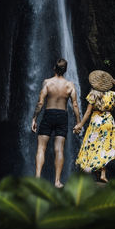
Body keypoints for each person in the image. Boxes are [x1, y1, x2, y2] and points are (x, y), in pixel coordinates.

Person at [73, 70, 115, 182]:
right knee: (104, 146)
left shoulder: (93, 94)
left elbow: (88, 112)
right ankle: (103, 174)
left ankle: (87, 169)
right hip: (108, 122)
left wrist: (80, 124)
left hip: (96, 122)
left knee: (91, 145)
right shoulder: (112, 95)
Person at [31, 58, 80, 188]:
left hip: (49, 114)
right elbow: (75, 104)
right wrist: (78, 122)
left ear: (54, 68)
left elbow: (40, 102)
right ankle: (57, 181)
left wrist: (34, 118)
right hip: (62, 116)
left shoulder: (47, 82)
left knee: (41, 147)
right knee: (59, 149)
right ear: (65, 70)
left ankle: (37, 179)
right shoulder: (70, 85)